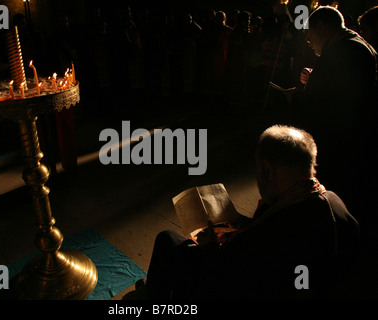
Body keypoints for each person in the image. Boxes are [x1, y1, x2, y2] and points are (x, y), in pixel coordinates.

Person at [132, 125, 359, 299]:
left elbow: (225, 275)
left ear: (268, 169)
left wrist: (210, 245)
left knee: (169, 240)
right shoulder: (335, 204)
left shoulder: (272, 232)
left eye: (259, 169)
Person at [292, 6, 378, 221]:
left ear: (321, 26)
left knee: (340, 198)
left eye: (309, 35)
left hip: (343, 142)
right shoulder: (351, 46)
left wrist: (294, 98)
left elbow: (335, 103)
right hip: (349, 137)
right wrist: (315, 77)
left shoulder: (347, 50)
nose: (308, 42)